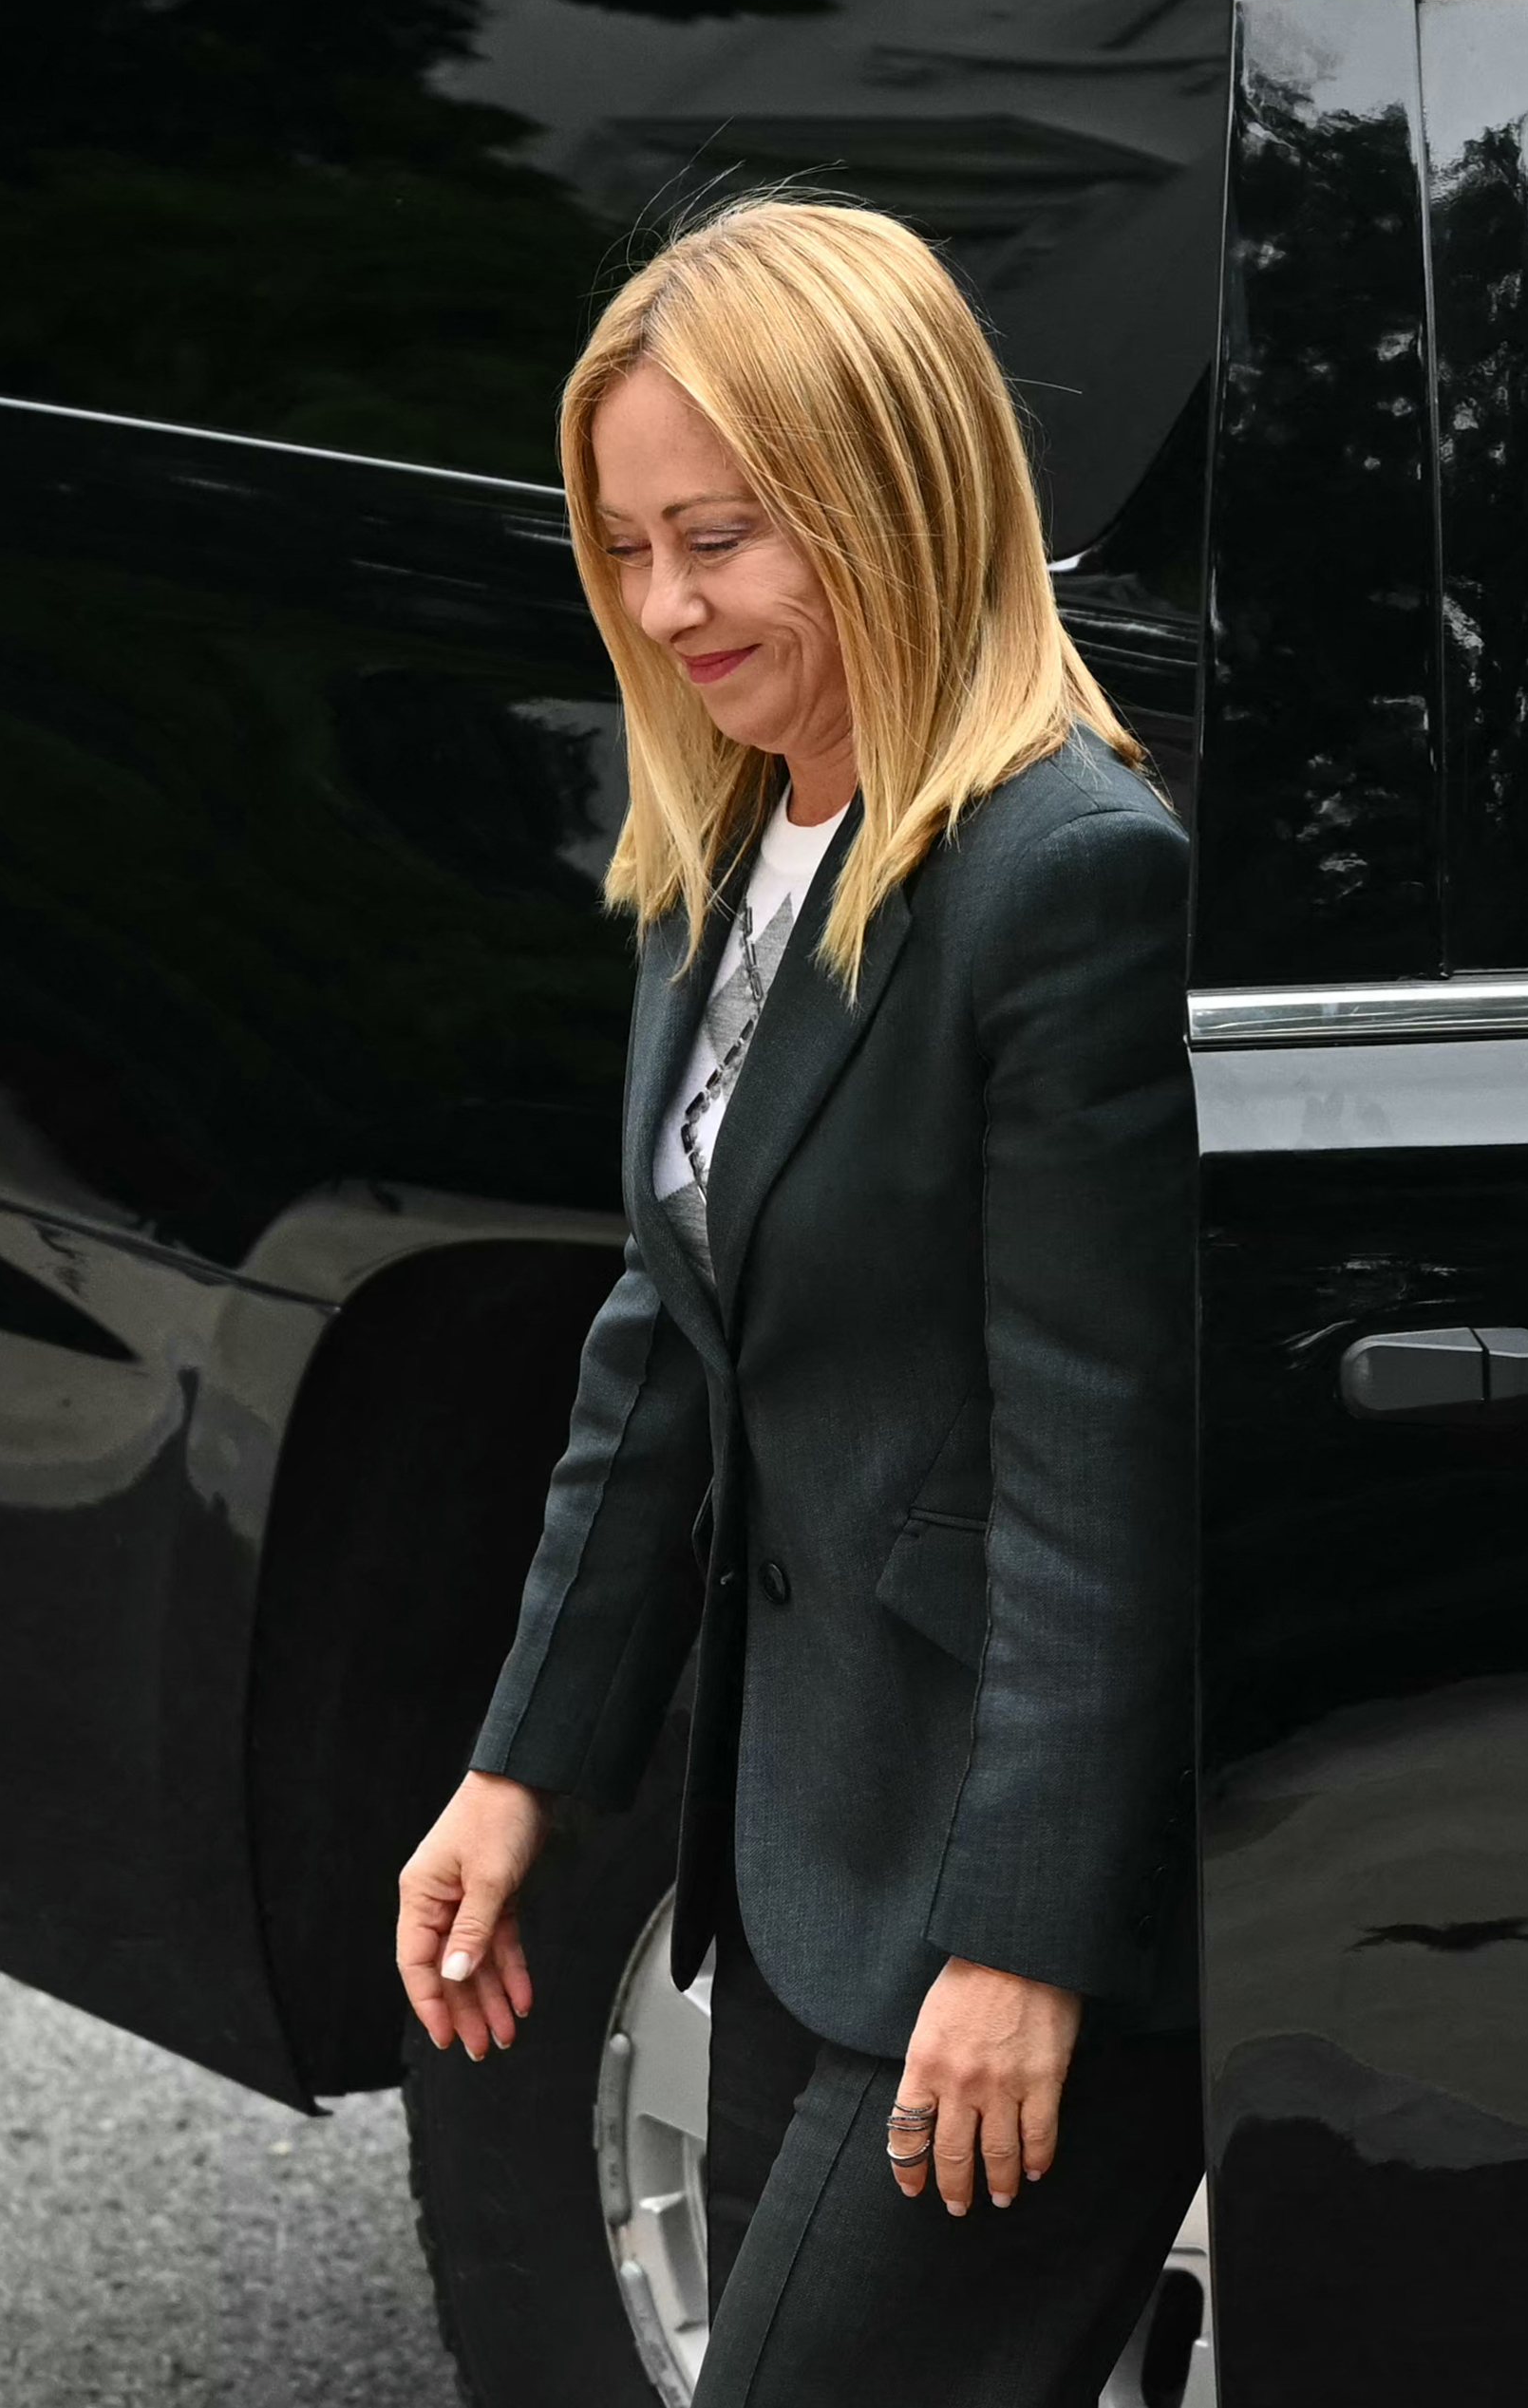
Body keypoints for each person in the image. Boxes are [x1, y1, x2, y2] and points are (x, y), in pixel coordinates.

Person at [390, 197, 1204, 2404]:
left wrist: (1022, 1936)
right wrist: (521, 1766)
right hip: (800, 1865)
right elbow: (665, 1345)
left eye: (720, 537)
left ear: (888, 497)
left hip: (991, 1897)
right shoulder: (733, 843)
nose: (664, 607)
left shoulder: (1067, 875)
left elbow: (1103, 1462)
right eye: (628, 546)